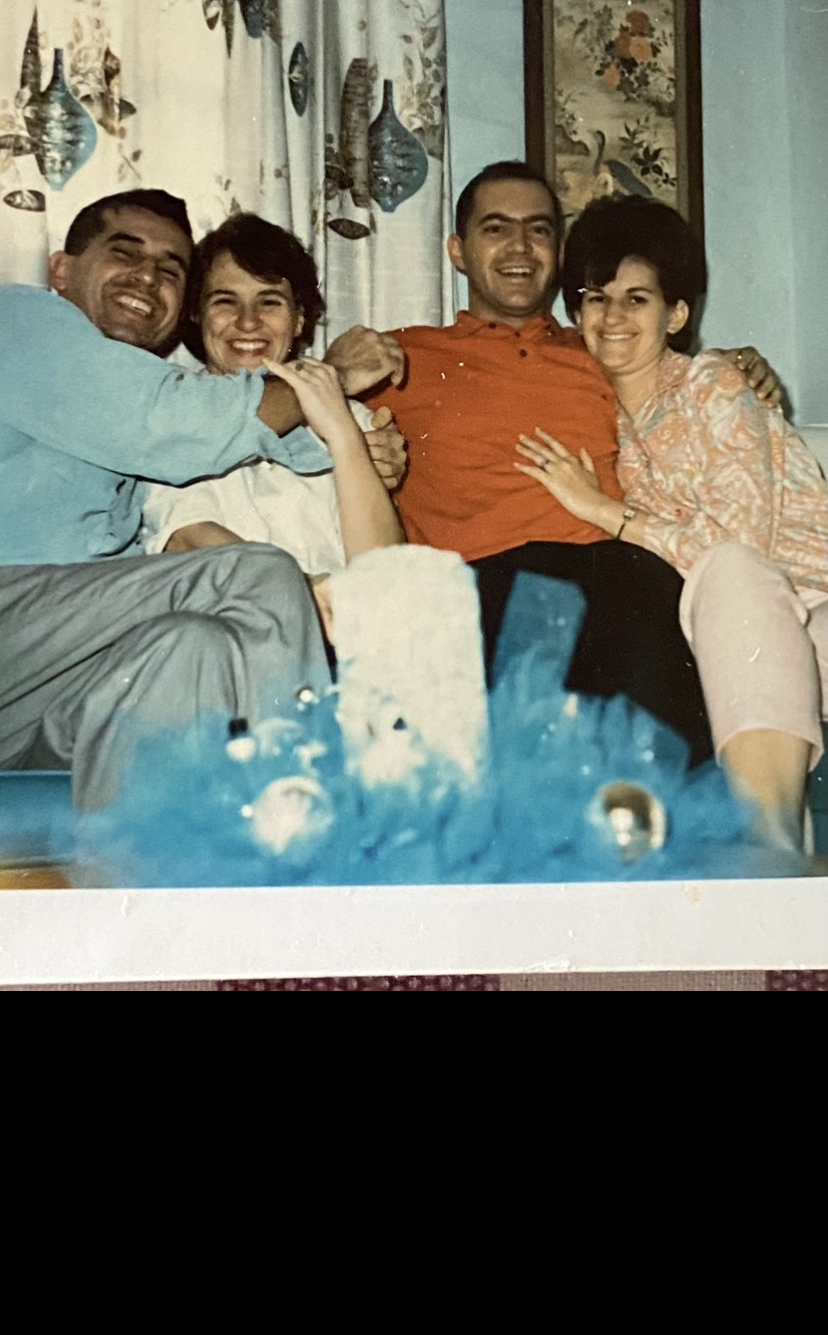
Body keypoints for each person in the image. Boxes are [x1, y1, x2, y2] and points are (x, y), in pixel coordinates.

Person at [363, 161, 781, 763]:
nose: (519, 247)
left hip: (620, 578)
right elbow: (287, 418)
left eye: (538, 230)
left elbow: (681, 392)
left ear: (558, 252)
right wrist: (342, 370)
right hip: (481, 586)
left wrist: (740, 365)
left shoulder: (601, 348)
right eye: (495, 228)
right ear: (456, 250)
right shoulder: (400, 355)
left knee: (646, 601)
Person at [0, 190, 405, 808]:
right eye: (125, 254)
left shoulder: (140, 387)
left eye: (169, 269)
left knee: (193, 646)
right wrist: (331, 378)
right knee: (260, 573)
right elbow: (169, 429)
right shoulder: (20, 322)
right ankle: (303, 821)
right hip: (15, 616)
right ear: (61, 270)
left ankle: (145, 882)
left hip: (50, 683)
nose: (147, 277)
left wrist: (353, 439)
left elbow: (257, 439)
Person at [514, 193, 827, 851]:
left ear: (677, 313)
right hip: (736, 634)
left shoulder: (713, 383)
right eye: (596, 297)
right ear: (575, 312)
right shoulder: (599, 427)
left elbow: (742, 546)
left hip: (813, 608)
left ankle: (771, 848)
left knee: (733, 570)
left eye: (638, 298)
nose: (613, 316)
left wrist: (607, 512)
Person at [141, 214, 404, 641]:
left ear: (300, 319)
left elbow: (383, 566)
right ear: (197, 314)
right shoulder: (174, 410)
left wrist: (344, 435)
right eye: (225, 301)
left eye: (269, 301)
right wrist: (301, 594)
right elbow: (188, 537)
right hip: (233, 635)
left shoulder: (347, 412)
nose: (248, 322)